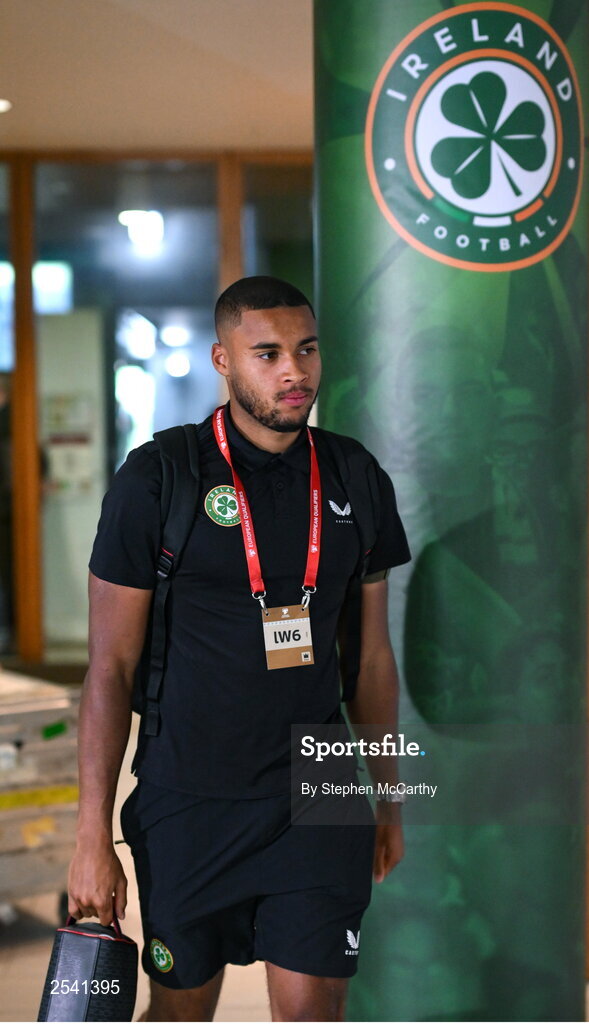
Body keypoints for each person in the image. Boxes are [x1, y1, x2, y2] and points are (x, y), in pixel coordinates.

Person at [67, 276, 411, 1022]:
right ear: (224, 361)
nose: (295, 370)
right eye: (268, 353)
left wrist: (386, 793)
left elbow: (373, 661)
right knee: (182, 1011)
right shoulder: (160, 478)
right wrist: (90, 831)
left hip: (318, 793)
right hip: (189, 799)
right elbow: (110, 668)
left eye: (307, 349)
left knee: (312, 1009)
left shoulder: (354, 475)